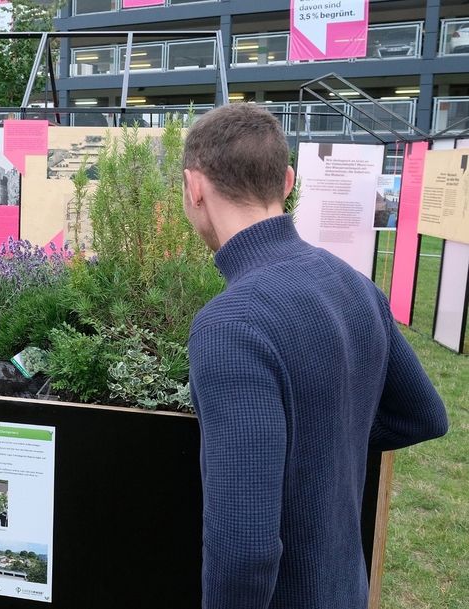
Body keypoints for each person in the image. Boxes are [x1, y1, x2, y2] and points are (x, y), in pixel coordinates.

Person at [181, 103, 448, 608]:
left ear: (195, 188)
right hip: (346, 589)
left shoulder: (230, 326)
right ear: (286, 181)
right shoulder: (353, 285)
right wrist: (325, 445)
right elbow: (422, 415)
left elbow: (245, 551)